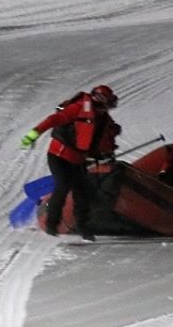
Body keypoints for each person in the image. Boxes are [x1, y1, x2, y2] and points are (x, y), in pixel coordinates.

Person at [19, 85, 121, 241]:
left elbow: (103, 140)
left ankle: (83, 227)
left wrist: (106, 155)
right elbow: (54, 119)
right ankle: (51, 224)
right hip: (58, 156)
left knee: (82, 192)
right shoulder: (78, 108)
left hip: (77, 160)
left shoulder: (103, 119)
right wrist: (34, 133)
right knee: (63, 186)